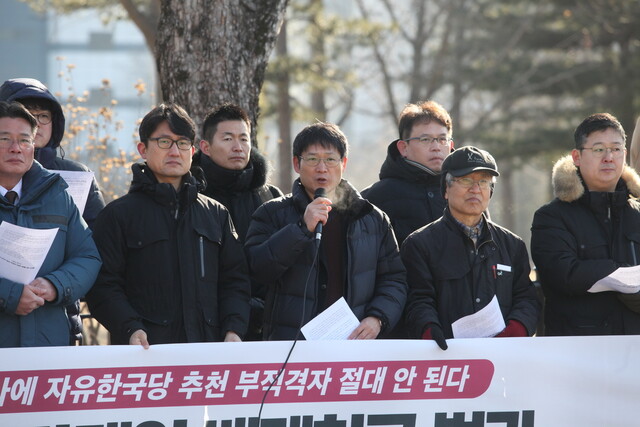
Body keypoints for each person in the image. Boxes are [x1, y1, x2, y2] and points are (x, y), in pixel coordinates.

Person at [85, 103, 250, 348]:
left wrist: (234, 328)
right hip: (145, 355)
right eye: (164, 142)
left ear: (193, 151)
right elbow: (102, 285)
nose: (175, 151)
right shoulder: (118, 215)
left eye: (182, 143)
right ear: (143, 149)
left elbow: (235, 281)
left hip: (209, 352)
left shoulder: (215, 214)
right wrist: (130, 327)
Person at [245, 122, 407, 341]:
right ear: (296, 163)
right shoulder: (272, 213)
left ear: (344, 163)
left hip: (354, 345)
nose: (322, 168)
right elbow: (257, 270)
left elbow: (394, 279)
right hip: (291, 347)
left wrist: (377, 318)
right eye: (312, 159)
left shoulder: (372, 218)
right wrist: (301, 229)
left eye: (330, 159)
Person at [0, 77, 107, 344]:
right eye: (5, 139)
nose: (16, 148)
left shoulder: (60, 194)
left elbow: (88, 255)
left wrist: (55, 285)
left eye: (25, 140)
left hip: (50, 342)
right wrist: (9, 295)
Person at [402, 146, 540, 350]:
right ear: (446, 189)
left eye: (483, 182)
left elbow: (526, 299)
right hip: (443, 356)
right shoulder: (419, 244)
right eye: (466, 180)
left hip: (504, 357)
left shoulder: (512, 245)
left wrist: (516, 331)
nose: (475, 189)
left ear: (490, 191)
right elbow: (417, 300)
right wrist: (429, 331)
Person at [531, 113, 640, 335]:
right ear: (577, 156)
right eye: (599, 149)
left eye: (616, 149)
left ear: (625, 154)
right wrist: (620, 273)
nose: (609, 157)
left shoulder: (637, 213)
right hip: (578, 352)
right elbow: (563, 275)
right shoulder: (552, 217)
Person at [191, 103, 282, 340]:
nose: (238, 147)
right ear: (206, 147)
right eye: (228, 139)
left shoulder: (270, 196)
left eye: (244, 139)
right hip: (208, 327)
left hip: (268, 325)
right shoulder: (193, 198)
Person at [362, 100, 454, 245]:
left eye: (443, 139)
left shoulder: (467, 189)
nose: (436, 147)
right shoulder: (375, 197)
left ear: (451, 145)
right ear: (403, 147)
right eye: (426, 139)